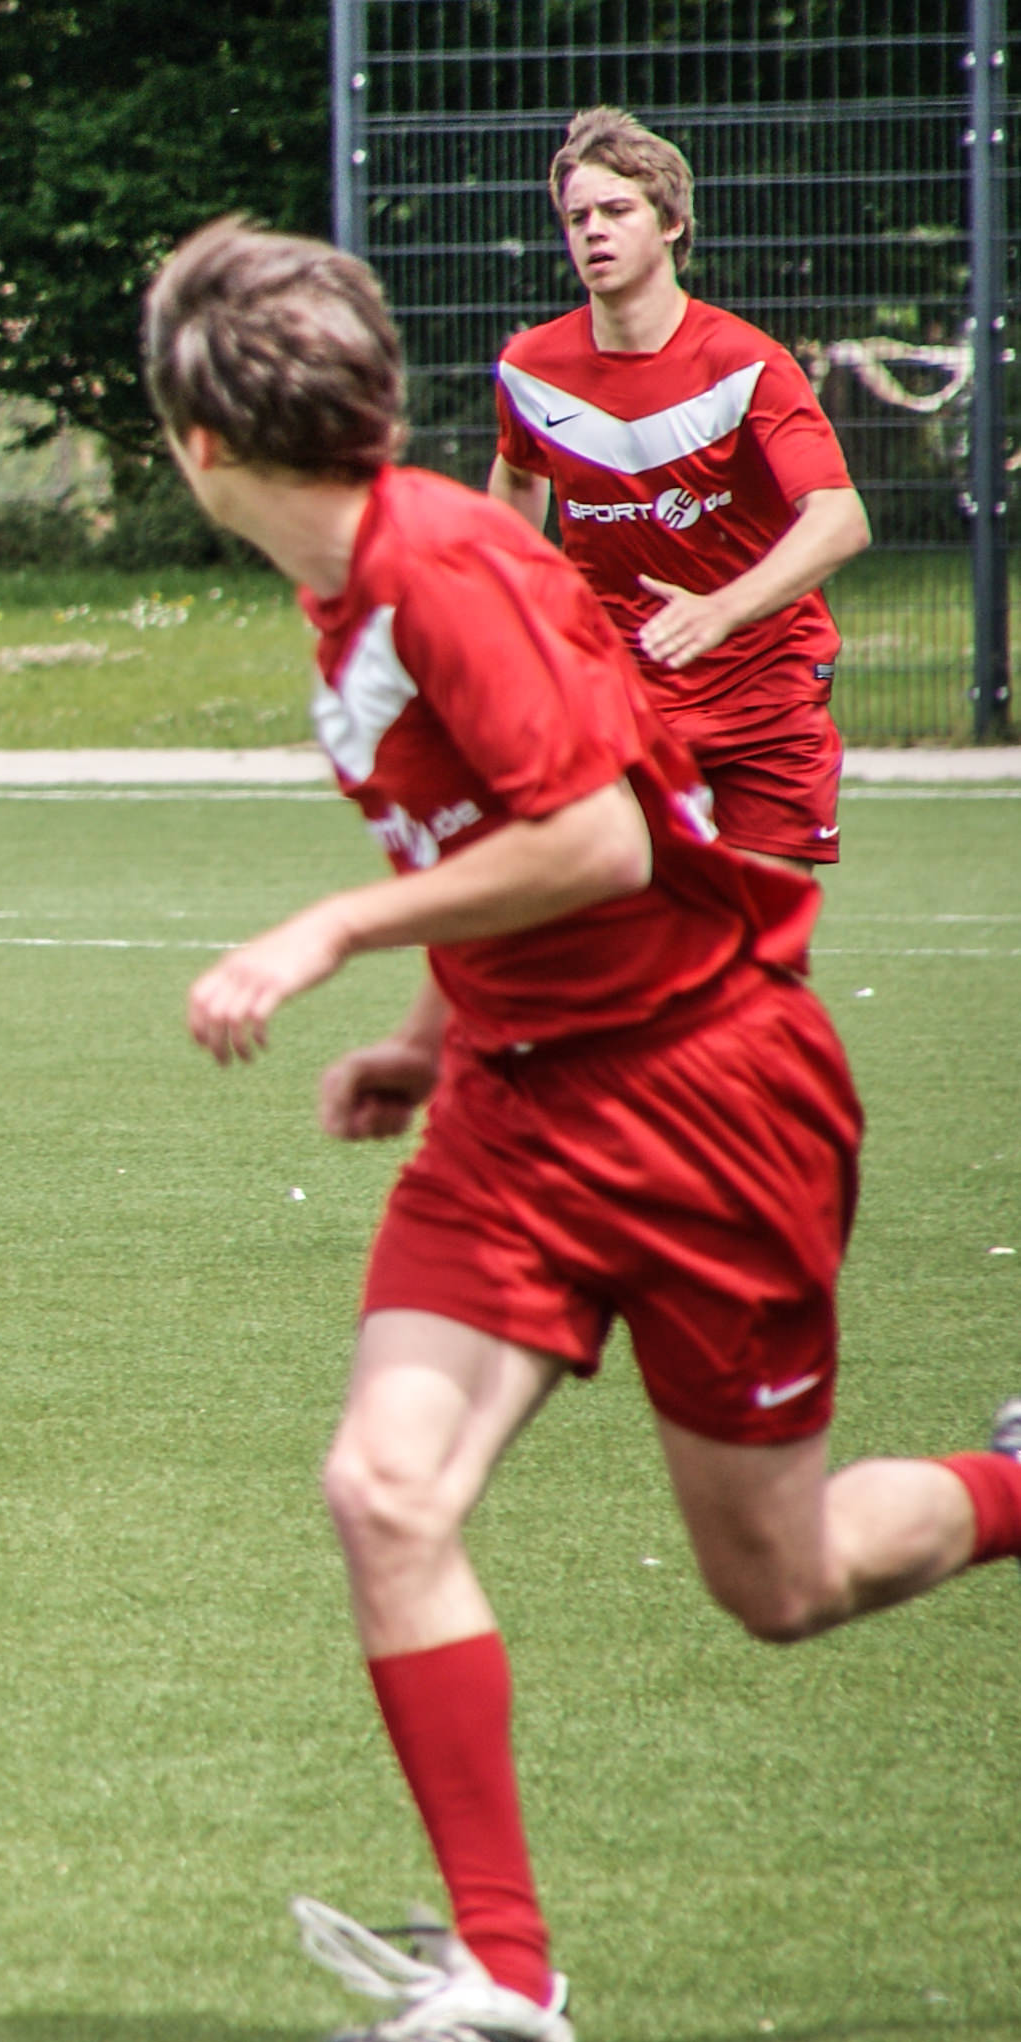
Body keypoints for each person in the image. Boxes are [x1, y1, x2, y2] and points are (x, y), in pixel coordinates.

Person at [147, 217, 1021, 2042]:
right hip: (514, 1097)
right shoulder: (356, 580)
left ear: (196, 441)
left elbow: (601, 842)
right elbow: (498, 826)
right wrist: (424, 1033)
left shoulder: (441, 568)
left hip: (706, 1098)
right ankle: (504, 1980)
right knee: (385, 1488)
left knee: (778, 1582)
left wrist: (327, 935)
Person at [489, 107, 869, 876]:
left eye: (615, 211)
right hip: (615, 695)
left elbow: (839, 520)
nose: (593, 231)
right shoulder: (531, 370)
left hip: (762, 687)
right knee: (617, 921)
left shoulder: (745, 364)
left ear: (670, 224)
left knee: (756, 934)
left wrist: (719, 609)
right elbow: (518, 478)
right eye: (577, 218)